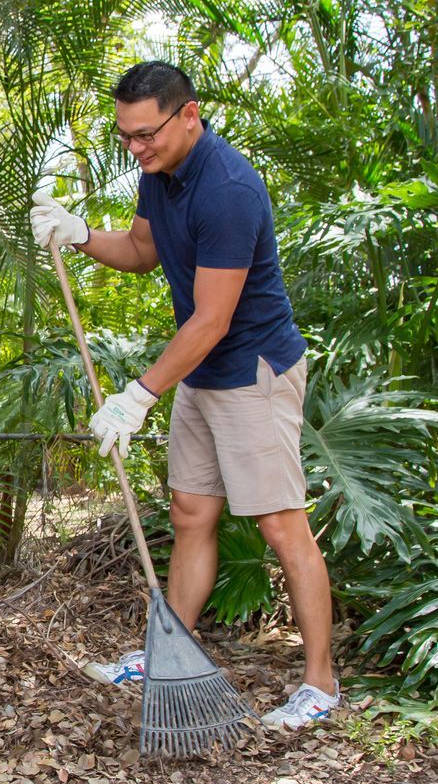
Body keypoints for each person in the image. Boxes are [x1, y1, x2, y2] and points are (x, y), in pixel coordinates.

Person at [31, 62, 341, 730]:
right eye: (126, 137)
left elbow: (213, 318)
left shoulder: (228, 189)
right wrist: (80, 234)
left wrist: (138, 394)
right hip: (200, 370)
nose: (136, 148)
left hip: (251, 370)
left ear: (189, 115)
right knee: (192, 511)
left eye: (146, 134)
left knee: (281, 524)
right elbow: (143, 248)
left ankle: (320, 684)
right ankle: (168, 655)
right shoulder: (158, 173)